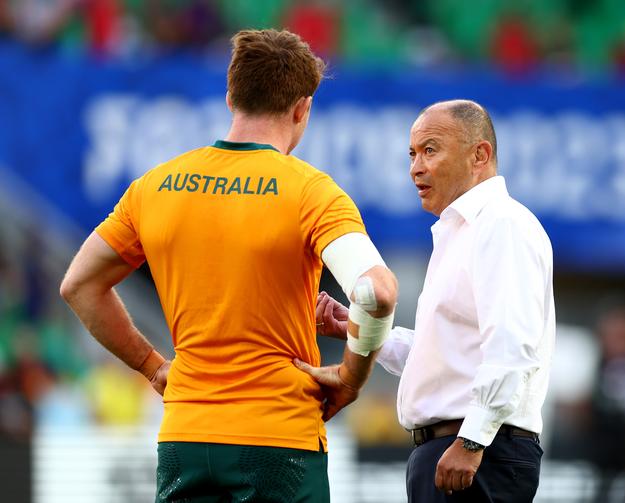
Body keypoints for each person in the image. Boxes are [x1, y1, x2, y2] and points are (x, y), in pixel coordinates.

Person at [60, 29, 398, 502]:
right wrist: (351, 377)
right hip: (278, 443)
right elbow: (376, 293)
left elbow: (79, 285)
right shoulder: (311, 191)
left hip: (185, 438)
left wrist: (152, 367)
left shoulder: (154, 186)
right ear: (303, 108)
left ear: (230, 96)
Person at [298, 100, 555, 502]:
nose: (416, 167)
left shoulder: (502, 224)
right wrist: (359, 328)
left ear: (479, 155)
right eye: (413, 154)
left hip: (477, 452)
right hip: (457, 448)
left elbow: (511, 347)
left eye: (431, 150)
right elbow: (445, 355)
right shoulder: (461, 232)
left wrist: (472, 442)